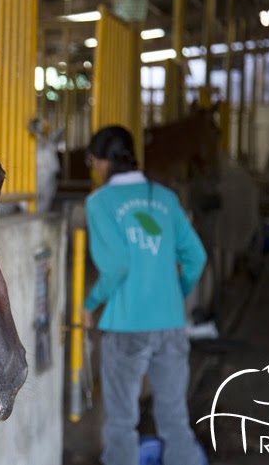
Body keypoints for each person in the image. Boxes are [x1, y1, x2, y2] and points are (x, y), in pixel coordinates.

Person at [82, 125, 207, 465]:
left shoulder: (99, 203)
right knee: (174, 419)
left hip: (126, 326)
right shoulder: (165, 198)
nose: (93, 168)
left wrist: (90, 304)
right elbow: (196, 256)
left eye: (92, 160)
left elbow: (118, 265)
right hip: (171, 323)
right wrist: (174, 293)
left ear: (105, 161)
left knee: (122, 424)